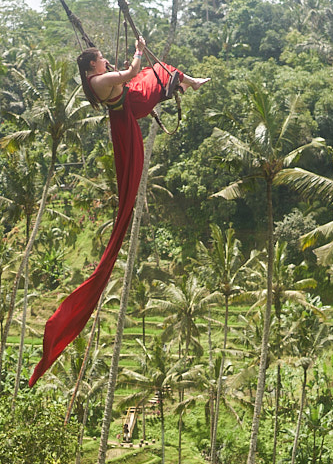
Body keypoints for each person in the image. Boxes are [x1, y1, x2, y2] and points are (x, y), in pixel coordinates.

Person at [28, 36, 207, 387]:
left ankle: (186, 83)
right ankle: (188, 83)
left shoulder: (97, 80)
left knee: (160, 73)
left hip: (127, 108)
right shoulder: (100, 80)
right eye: (100, 58)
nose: (104, 60)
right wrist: (138, 49)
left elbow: (123, 77)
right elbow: (131, 72)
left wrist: (128, 68)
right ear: (92, 66)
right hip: (132, 104)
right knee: (156, 71)